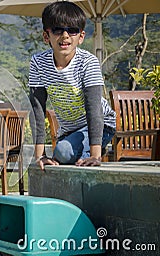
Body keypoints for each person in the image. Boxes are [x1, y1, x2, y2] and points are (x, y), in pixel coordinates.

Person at [28, 1, 116, 171]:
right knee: (60, 154)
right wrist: (40, 156)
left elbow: (94, 109)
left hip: (102, 125)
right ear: (46, 36)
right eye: (57, 30)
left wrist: (95, 156)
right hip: (69, 130)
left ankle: (91, 149)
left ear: (81, 37)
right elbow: (38, 110)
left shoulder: (88, 62)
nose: (65, 35)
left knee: (63, 152)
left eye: (72, 30)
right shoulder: (38, 63)